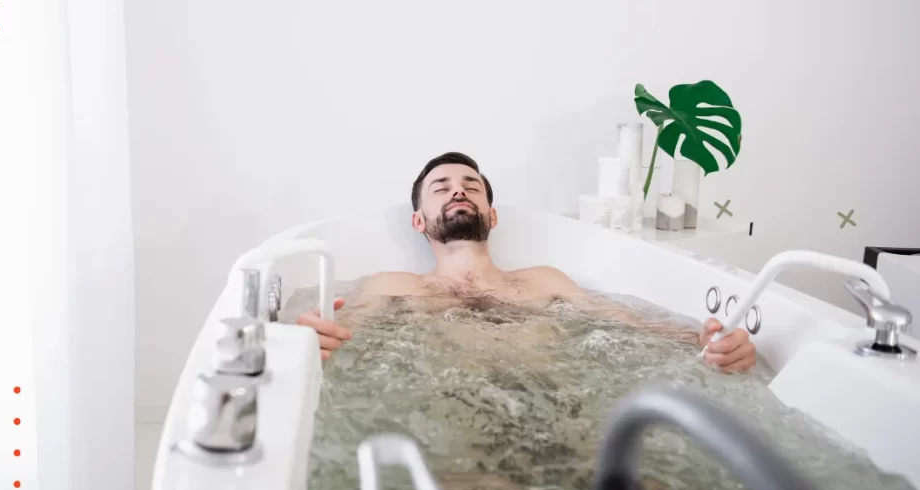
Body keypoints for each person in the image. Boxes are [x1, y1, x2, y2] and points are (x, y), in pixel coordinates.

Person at [296, 151, 758, 373]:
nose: (458, 189)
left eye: (471, 186)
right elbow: (336, 337)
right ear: (419, 221)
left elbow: (635, 327)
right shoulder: (389, 286)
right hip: (454, 423)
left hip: (563, 407)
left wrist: (707, 344)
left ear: (491, 215)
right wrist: (306, 340)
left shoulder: (544, 280)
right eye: (442, 188)